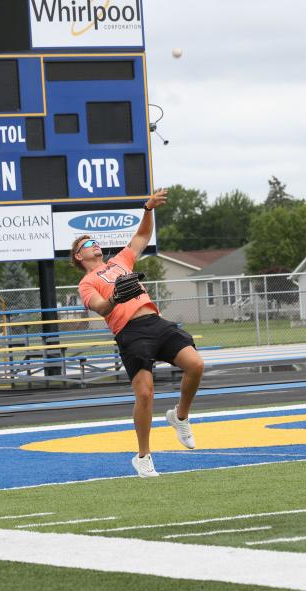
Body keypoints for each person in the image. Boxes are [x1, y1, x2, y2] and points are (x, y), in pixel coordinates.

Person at [73, 188, 205, 477]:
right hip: (130, 332)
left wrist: (147, 208)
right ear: (78, 255)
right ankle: (143, 456)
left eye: (95, 241)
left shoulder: (119, 261)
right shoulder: (86, 283)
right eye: (88, 243)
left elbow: (142, 237)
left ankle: (180, 417)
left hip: (155, 322)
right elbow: (101, 308)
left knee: (196, 364)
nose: (95, 245)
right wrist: (115, 298)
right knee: (145, 394)